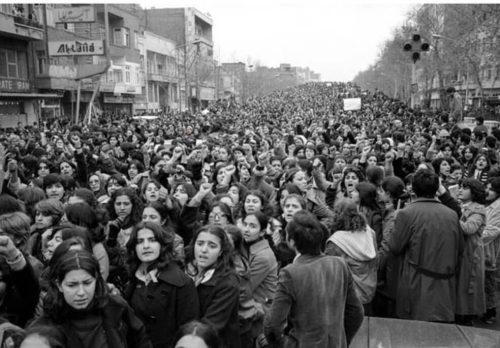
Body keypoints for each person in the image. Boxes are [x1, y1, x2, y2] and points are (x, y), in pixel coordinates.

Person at [265, 210, 363, 347]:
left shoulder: (290, 273)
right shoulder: (340, 264)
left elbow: (272, 326)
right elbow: (356, 313)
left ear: (291, 242)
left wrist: (288, 345)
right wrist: (340, 340)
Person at [29, 249, 152, 348]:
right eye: (72, 285)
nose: (81, 292)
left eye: (87, 283)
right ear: (59, 285)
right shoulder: (44, 329)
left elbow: (140, 338)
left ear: (96, 279)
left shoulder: (116, 307)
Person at [389, 168, 463, 322]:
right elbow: (460, 249)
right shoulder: (452, 214)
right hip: (446, 284)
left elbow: (395, 247)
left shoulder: (406, 213)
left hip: (416, 283)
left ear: (413, 189)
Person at [125, 222, 199, 348]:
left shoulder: (181, 282)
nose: (146, 246)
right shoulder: (133, 278)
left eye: (152, 240)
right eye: (140, 241)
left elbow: (189, 330)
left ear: (162, 245)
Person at [185, 225, 241, 348]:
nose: (204, 250)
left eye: (212, 246)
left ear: (221, 251)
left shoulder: (228, 283)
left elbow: (211, 325)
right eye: (200, 244)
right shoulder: (185, 272)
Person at [456, 178, 486, 325]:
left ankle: (467, 317)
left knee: (468, 287)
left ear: (474, 192)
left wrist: (452, 217)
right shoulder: (463, 206)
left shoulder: (478, 209)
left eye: (465, 188)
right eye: (460, 187)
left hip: (471, 253)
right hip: (463, 251)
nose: (460, 190)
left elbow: (469, 228)